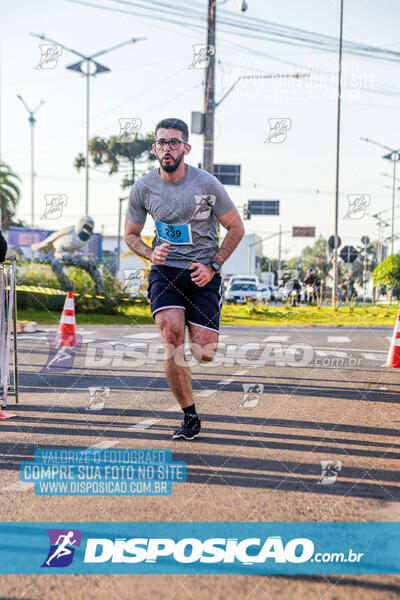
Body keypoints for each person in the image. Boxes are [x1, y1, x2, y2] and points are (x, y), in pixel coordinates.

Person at [125, 118, 244, 440]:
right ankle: (190, 417)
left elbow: (236, 228)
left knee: (204, 353)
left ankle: (204, 328)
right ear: (154, 148)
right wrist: (150, 254)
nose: (167, 148)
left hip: (202, 273)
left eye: (174, 142)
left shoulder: (207, 184)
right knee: (172, 337)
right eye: (162, 142)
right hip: (165, 273)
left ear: (186, 148)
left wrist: (214, 265)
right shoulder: (144, 187)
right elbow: (131, 235)